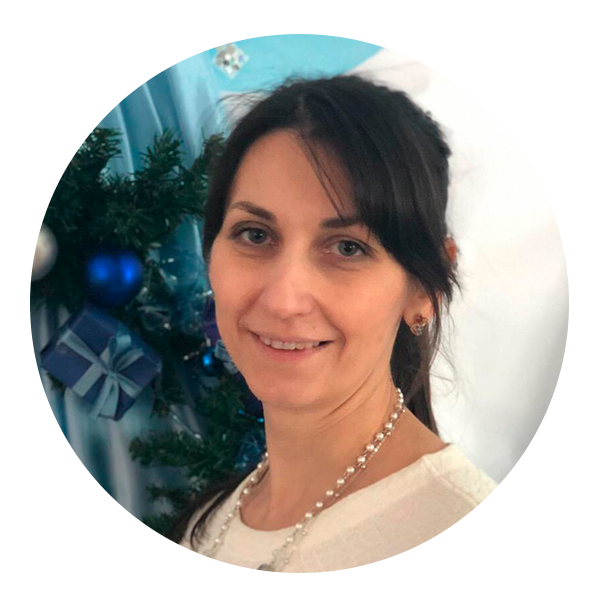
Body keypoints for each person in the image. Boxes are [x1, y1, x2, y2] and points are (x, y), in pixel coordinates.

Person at [163, 74, 557, 574]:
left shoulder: (477, 560)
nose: (283, 300)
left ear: (422, 289)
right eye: (255, 234)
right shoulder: (214, 522)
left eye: (347, 247)